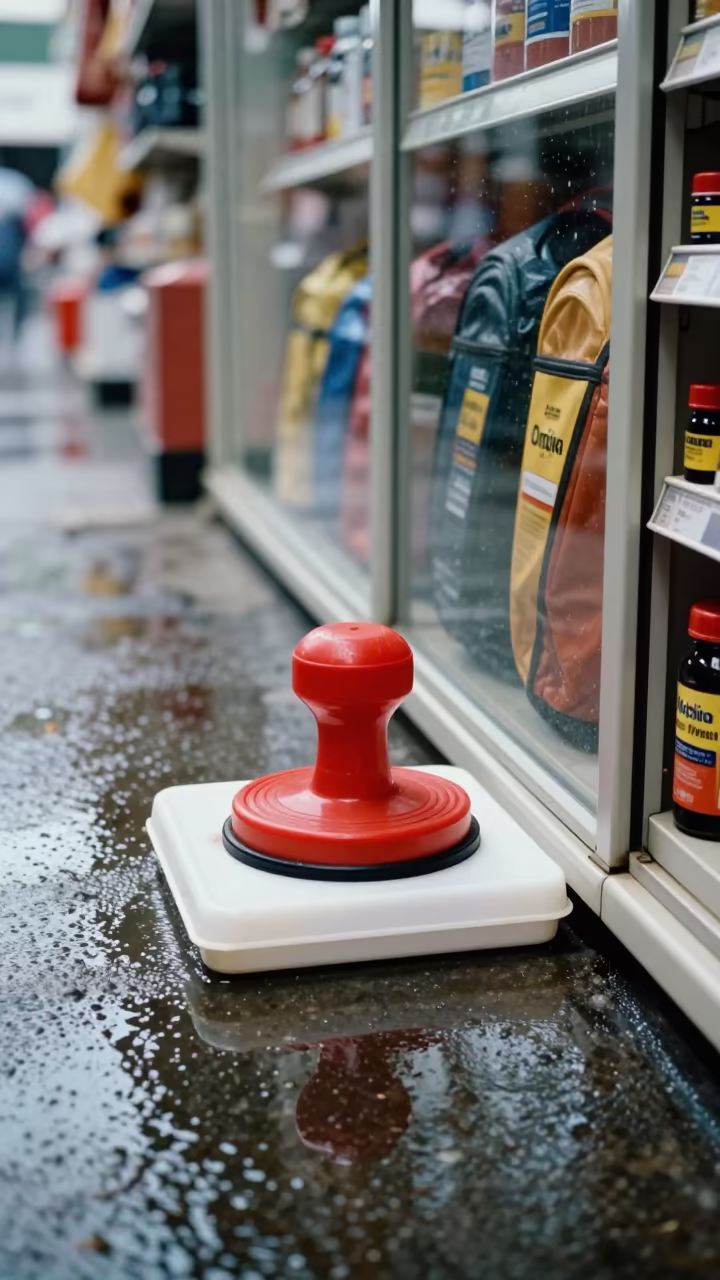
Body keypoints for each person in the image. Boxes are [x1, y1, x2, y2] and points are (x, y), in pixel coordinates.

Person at [0, 166, 34, 347]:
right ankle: (16, 331)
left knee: (17, 293)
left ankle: (17, 331)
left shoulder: (13, 182)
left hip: (10, 252)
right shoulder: (15, 182)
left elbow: (27, 220)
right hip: (11, 251)